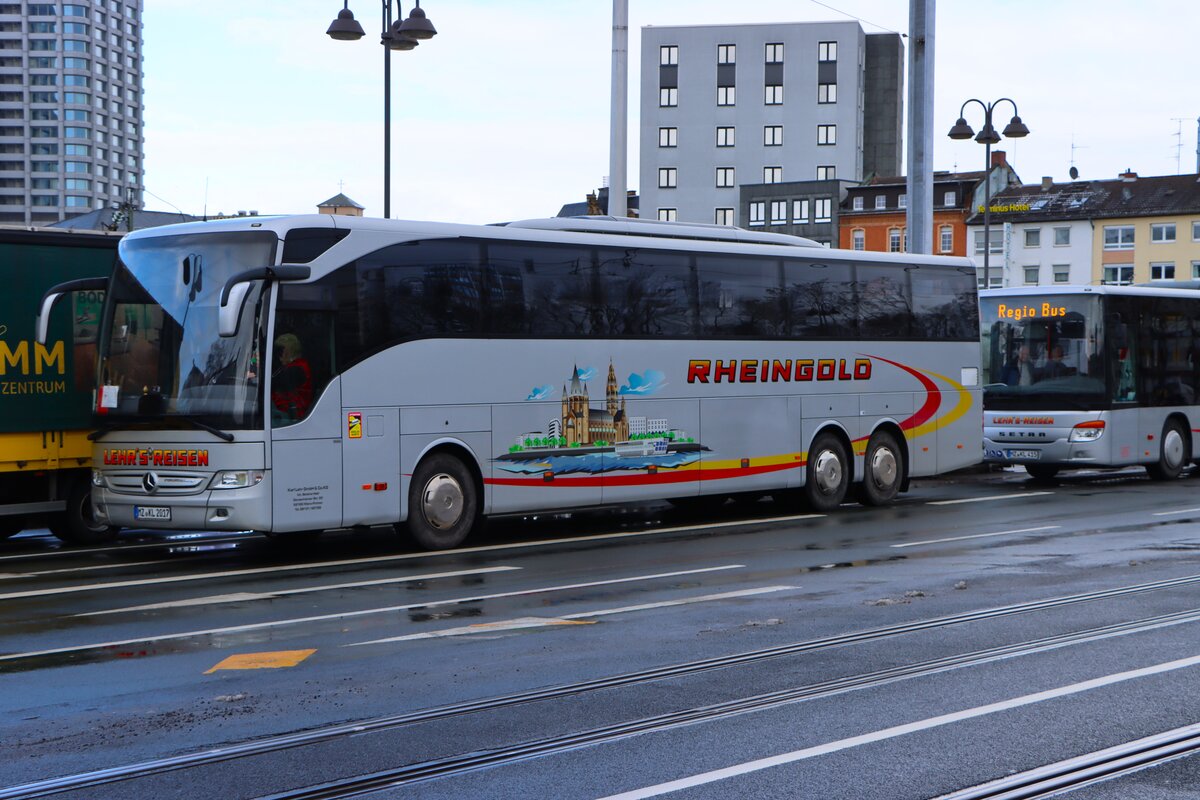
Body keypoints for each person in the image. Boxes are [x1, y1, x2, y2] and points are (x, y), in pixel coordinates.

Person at [271, 333, 313, 420]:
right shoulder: (298, 366)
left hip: (292, 417)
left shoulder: (296, 369)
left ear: (287, 351)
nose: (279, 355)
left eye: (280, 351)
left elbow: (271, 384)